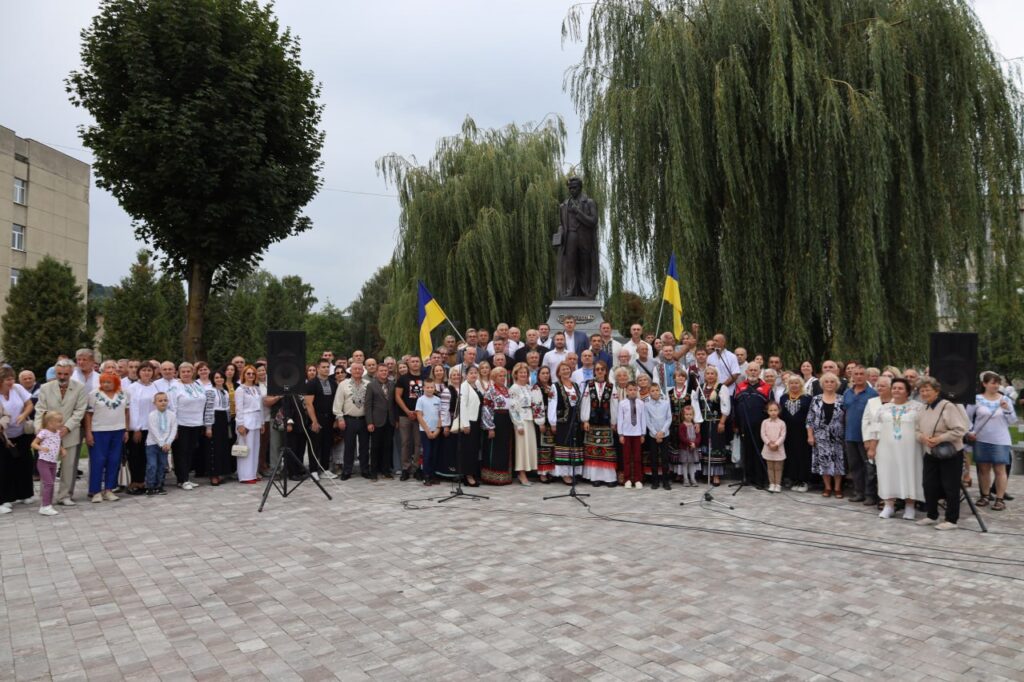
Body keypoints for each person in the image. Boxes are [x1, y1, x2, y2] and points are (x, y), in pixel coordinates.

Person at [915, 376, 969, 529]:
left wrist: (939, 439)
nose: (924, 393)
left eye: (927, 390)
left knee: (950, 486)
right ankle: (931, 515)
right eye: (922, 390)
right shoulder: (922, 408)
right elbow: (916, 430)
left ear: (937, 391)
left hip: (950, 453)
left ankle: (951, 520)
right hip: (931, 452)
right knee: (928, 484)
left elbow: (959, 430)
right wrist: (922, 438)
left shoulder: (947, 406)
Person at [865, 377, 923, 520]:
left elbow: (923, 427)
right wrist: (872, 448)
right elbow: (875, 430)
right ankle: (889, 506)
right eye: (894, 388)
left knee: (910, 474)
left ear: (907, 391)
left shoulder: (917, 407)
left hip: (910, 450)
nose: (897, 390)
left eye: (900, 388)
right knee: (887, 474)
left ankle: (910, 506)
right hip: (886, 449)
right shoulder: (884, 408)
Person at [33, 359, 88, 506]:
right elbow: (40, 409)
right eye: (59, 373)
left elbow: (80, 410)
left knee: (69, 466)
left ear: (71, 373)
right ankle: (46, 498)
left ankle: (65, 496)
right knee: (46, 466)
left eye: (65, 374)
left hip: (70, 432)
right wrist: (39, 428)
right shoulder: (45, 387)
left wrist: (67, 427)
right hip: (48, 434)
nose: (62, 377)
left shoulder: (80, 388)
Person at [967, 371, 1017, 511]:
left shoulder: (1005, 399)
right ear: (984, 384)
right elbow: (966, 417)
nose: (996, 386)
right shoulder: (976, 399)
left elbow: (1013, 420)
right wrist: (970, 431)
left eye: (998, 383)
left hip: (1000, 439)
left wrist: (1007, 409)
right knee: (983, 469)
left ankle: (1000, 499)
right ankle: (985, 495)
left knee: (1000, 469)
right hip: (981, 439)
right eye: (993, 383)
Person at [84, 371, 130, 503]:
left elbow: (127, 412)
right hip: (99, 431)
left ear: (116, 382)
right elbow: (88, 415)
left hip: (118, 430)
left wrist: (126, 430)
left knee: (114, 460)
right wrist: (88, 433)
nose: (105, 384)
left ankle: (109, 489)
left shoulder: (124, 393)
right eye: (103, 382)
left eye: (109, 382)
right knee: (98, 461)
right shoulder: (94, 394)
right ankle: (96, 491)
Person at [171, 363, 213, 491]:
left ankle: (186, 478)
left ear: (193, 372)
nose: (186, 374)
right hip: (181, 424)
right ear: (179, 373)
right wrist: (174, 427)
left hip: (196, 423)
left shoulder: (197, 385)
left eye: (188, 371)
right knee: (181, 452)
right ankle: (182, 479)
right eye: (183, 371)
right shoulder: (175, 386)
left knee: (190, 451)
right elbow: (172, 407)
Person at [842, 365, 879, 505]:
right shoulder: (847, 393)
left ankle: (870, 495)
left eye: (861, 374)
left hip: (866, 437)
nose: (858, 376)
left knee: (869, 467)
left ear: (867, 376)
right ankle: (859, 492)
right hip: (850, 435)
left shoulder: (873, 394)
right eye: (856, 374)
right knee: (854, 466)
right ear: (852, 376)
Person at [806, 373, 845, 498]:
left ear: (836, 384)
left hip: (838, 437)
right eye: (826, 382)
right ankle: (827, 487)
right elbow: (810, 419)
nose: (829, 384)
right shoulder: (816, 399)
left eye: (832, 382)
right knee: (823, 461)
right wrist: (810, 435)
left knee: (838, 462)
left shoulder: (842, 399)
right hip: (820, 436)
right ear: (822, 384)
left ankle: (837, 488)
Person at [0, 367, 35, 505]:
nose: (11, 382)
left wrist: (23, 415)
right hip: (3, 437)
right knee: (4, 467)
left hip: (21, 433)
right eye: (7, 379)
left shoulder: (18, 388)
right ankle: (5, 499)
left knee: (24, 464)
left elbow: (29, 404)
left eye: (12, 378)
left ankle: (25, 494)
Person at [732, 364, 770, 489]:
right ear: (747, 371)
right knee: (746, 452)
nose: (753, 372)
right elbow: (734, 406)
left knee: (758, 452)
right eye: (751, 370)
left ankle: (760, 479)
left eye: (755, 370)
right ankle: (747, 477)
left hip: (760, 426)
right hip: (743, 425)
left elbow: (771, 407)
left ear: (759, 372)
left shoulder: (766, 387)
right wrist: (735, 424)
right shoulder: (739, 386)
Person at [580, 361, 616, 487]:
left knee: (606, 450)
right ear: (594, 371)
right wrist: (585, 420)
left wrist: (614, 422)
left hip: (606, 423)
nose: (600, 371)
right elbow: (585, 403)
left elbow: (614, 404)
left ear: (606, 371)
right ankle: (595, 477)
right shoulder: (589, 385)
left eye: (602, 369)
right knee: (593, 450)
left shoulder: (611, 386)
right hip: (593, 422)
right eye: (597, 369)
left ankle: (608, 478)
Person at [694, 366, 731, 486]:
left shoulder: (722, 388)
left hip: (716, 422)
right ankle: (708, 473)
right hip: (704, 423)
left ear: (716, 375)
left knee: (716, 446)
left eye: (712, 374)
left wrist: (722, 422)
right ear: (704, 376)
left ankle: (716, 475)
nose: (710, 376)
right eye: (708, 373)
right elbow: (696, 406)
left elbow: (726, 406)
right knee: (705, 446)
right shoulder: (700, 387)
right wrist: (697, 422)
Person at [547, 362, 584, 484]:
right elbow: (552, 404)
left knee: (574, 444)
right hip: (563, 420)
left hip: (575, 420)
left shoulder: (575, 385)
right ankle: (564, 474)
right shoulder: (555, 386)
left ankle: (573, 471)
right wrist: (553, 422)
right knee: (564, 445)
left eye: (567, 369)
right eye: (563, 369)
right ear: (558, 372)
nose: (566, 371)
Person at [334, 362, 370, 480]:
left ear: (363, 371)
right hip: (349, 419)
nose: (357, 371)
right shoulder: (343, 384)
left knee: (364, 446)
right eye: (355, 369)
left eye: (360, 369)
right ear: (350, 371)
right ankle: (347, 470)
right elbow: (338, 402)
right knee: (349, 446)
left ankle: (365, 469)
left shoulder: (368, 384)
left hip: (364, 419)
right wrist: (340, 418)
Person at [126, 362, 158, 494]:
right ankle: (135, 482)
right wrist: (136, 428)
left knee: (147, 456)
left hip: (151, 428)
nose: (146, 373)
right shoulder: (133, 388)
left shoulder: (154, 386)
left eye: (149, 370)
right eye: (144, 370)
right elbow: (133, 408)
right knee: (135, 456)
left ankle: (145, 481)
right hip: (138, 428)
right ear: (139, 372)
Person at [303, 359, 338, 478]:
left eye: (327, 367)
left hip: (330, 418)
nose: (326, 369)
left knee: (327, 444)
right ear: (318, 368)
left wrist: (336, 419)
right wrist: (314, 421)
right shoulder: (312, 384)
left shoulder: (333, 383)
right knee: (314, 445)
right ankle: (313, 470)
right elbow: (308, 404)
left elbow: (336, 402)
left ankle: (325, 469)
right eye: (323, 367)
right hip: (316, 418)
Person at [480, 366, 514, 485]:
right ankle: (492, 477)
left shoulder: (507, 389)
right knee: (494, 448)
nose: (502, 378)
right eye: (500, 375)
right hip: (496, 421)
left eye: (504, 375)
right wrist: (490, 427)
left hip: (507, 421)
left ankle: (504, 476)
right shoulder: (491, 390)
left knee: (504, 448)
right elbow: (486, 409)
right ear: (494, 377)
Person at [779, 375, 813, 492]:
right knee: (790, 454)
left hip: (803, 432)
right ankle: (793, 478)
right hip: (788, 432)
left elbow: (811, 416)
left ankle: (803, 480)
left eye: (796, 383)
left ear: (801, 384)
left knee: (803, 455)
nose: (794, 385)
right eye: (791, 383)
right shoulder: (783, 397)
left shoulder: (807, 398)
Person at [365, 363, 397, 480]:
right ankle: (373, 472)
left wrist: (396, 419)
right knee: (375, 447)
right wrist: (369, 422)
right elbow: (368, 405)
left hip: (390, 420)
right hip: (377, 420)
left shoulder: (392, 384)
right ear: (377, 372)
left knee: (387, 446)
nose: (384, 372)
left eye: (386, 371)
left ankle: (386, 470)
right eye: (381, 371)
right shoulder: (371, 386)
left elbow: (394, 404)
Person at [395, 356, 425, 480]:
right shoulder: (403, 378)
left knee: (418, 443)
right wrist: (407, 411)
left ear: (420, 363)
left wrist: (419, 412)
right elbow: (397, 396)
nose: (415, 363)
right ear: (408, 364)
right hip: (405, 415)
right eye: (413, 361)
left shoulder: (425, 377)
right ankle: (405, 468)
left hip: (421, 416)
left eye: (417, 361)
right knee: (405, 442)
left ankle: (417, 468)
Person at [31, 412, 66, 516]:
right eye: (59, 421)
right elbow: (33, 444)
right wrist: (41, 448)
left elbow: (57, 443)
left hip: (53, 462)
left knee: (51, 484)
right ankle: (45, 506)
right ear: (50, 423)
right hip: (43, 462)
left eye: (61, 421)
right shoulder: (44, 432)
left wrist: (62, 449)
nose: (61, 423)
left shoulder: (57, 433)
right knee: (48, 484)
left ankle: (48, 505)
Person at [508, 363, 538, 486]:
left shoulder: (529, 387)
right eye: (520, 372)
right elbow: (512, 408)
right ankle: (521, 474)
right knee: (521, 448)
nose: (523, 374)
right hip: (521, 420)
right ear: (516, 374)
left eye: (525, 372)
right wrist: (518, 424)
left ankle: (527, 471)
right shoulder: (513, 388)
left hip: (530, 419)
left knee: (529, 446)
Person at [234, 365, 263, 484]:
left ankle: (252, 473)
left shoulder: (257, 389)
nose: (251, 375)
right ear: (244, 375)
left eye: (253, 373)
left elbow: (260, 407)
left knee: (255, 448)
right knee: (246, 449)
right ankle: (245, 476)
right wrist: (240, 424)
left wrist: (262, 423)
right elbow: (238, 408)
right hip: (246, 421)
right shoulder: (240, 389)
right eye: (248, 373)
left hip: (256, 420)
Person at [455, 366, 482, 486]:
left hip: (477, 421)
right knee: (468, 450)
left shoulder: (476, 385)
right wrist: (466, 424)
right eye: (471, 373)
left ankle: (473, 473)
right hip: (469, 422)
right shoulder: (464, 386)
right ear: (466, 375)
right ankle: (468, 476)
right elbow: (462, 406)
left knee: (475, 449)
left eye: (475, 373)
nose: (473, 375)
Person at [616, 382, 646, 489]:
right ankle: (627, 479)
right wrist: (620, 434)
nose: (632, 391)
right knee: (627, 457)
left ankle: (638, 479)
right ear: (626, 391)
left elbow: (643, 419)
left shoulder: (641, 403)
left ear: (637, 390)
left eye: (634, 389)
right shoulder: (622, 403)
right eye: (630, 390)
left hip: (637, 433)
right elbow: (620, 419)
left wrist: (643, 434)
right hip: (626, 433)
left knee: (637, 457)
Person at [145, 392, 176, 495]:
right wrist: (162, 443)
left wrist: (168, 442)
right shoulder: (152, 415)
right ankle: (150, 486)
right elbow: (154, 431)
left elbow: (173, 429)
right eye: (160, 401)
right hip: (152, 444)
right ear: (154, 403)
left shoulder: (172, 415)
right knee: (152, 465)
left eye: (165, 400)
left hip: (166, 445)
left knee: (162, 465)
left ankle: (159, 485)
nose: (163, 402)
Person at [645, 383, 672, 490]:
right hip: (653, 435)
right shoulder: (646, 405)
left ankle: (666, 481)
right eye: (652, 391)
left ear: (660, 391)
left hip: (664, 434)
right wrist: (655, 433)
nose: (655, 392)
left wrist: (662, 432)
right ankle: (655, 481)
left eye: (657, 390)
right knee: (654, 458)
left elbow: (669, 418)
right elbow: (647, 420)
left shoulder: (666, 403)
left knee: (665, 458)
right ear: (649, 392)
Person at [207, 370, 233, 486]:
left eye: (221, 377)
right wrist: (208, 427)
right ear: (213, 379)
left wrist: (228, 423)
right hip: (214, 419)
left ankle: (222, 472)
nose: (219, 379)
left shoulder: (225, 391)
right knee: (214, 447)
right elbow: (208, 409)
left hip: (224, 420)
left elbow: (227, 408)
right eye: (216, 378)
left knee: (223, 446)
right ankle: (214, 474)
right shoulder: (210, 391)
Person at [415, 381, 443, 486]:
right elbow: (419, 416)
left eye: (432, 387)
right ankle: (425, 475)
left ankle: (432, 475)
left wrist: (437, 430)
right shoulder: (420, 400)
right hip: (425, 431)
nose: (430, 389)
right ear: (424, 388)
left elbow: (440, 415)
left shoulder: (438, 400)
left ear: (434, 388)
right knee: (427, 453)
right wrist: (427, 431)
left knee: (434, 454)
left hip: (436, 431)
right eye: (427, 387)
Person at [533, 366, 556, 483]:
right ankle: (542, 473)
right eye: (543, 373)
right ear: (538, 375)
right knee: (542, 447)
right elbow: (536, 406)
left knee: (552, 447)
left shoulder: (553, 386)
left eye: (547, 373)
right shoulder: (536, 388)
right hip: (541, 419)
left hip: (551, 419)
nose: (545, 375)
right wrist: (540, 422)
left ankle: (550, 471)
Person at [760, 402, 786, 493]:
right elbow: (763, 434)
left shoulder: (782, 423)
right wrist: (769, 443)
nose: (773, 412)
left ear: (779, 411)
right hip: (768, 448)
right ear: (767, 411)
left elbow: (783, 435)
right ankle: (771, 483)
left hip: (778, 448)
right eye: (771, 410)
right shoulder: (765, 422)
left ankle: (778, 484)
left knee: (778, 467)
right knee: (770, 467)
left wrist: (776, 444)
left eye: (775, 410)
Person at [676, 404, 701, 487]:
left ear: (693, 415)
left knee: (692, 463)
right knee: (685, 464)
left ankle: (693, 479)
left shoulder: (695, 425)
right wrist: (690, 443)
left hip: (693, 448)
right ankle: (686, 479)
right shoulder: (682, 426)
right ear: (683, 415)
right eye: (686, 414)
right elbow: (682, 437)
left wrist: (695, 443)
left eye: (690, 414)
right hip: (685, 448)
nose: (688, 416)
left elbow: (698, 436)